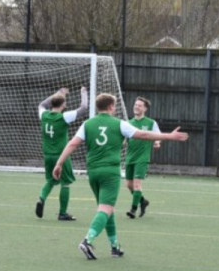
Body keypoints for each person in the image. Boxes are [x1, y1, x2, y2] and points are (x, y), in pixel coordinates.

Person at [53, 93, 189, 260]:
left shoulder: (87, 124)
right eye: (115, 105)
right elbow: (144, 135)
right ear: (111, 106)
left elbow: (73, 143)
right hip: (110, 172)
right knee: (105, 208)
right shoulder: (120, 124)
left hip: (93, 172)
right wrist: (169, 136)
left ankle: (115, 246)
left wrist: (59, 163)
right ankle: (87, 241)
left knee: (106, 209)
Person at [36, 87, 88, 221]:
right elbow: (83, 108)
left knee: (51, 180)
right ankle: (62, 213)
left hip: (47, 154)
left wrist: (58, 93)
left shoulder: (44, 115)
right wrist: (84, 93)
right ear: (63, 104)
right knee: (65, 183)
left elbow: (41, 104)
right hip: (61, 155)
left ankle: (41, 198)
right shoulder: (64, 117)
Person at [124, 96, 161, 219]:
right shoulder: (128, 123)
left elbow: (158, 135)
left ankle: (133, 210)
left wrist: (157, 142)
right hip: (130, 157)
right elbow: (124, 139)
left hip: (142, 157)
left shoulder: (150, 123)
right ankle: (143, 201)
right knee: (129, 185)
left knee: (137, 185)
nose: (136, 107)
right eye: (135, 105)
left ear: (145, 109)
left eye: (139, 105)